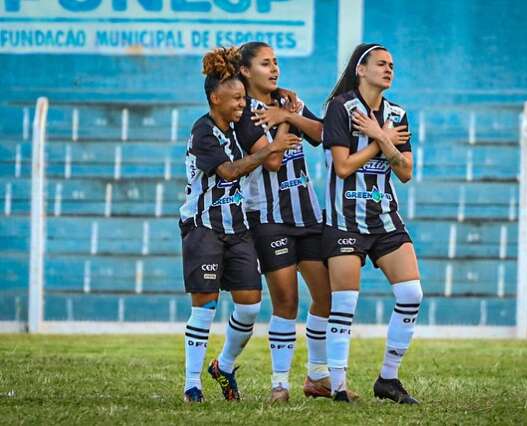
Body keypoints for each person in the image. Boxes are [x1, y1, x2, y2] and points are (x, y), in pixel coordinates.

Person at [179, 46, 301, 403]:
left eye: (243, 99)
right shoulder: (202, 132)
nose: (241, 105)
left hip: (237, 226)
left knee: (248, 305)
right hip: (203, 225)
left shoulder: (240, 124)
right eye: (235, 99)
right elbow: (230, 171)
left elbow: (271, 154)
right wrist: (269, 149)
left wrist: (283, 97)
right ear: (215, 98)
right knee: (205, 305)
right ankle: (192, 385)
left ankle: (225, 366)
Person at [234, 41, 335, 403]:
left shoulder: (287, 102)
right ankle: (280, 383)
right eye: (265, 63)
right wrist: (278, 125)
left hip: (307, 215)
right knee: (287, 301)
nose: (274, 69)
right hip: (269, 218)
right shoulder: (242, 111)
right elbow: (272, 162)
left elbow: (322, 134)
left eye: (276, 62)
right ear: (245, 71)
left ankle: (318, 377)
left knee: (325, 295)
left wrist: (289, 116)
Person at [322, 43, 421, 404]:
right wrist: (382, 143)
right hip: (343, 220)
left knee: (412, 295)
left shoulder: (397, 113)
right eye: (381, 63)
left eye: (392, 64)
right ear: (360, 69)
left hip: (385, 220)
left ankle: (388, 379)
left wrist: (380, 136)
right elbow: (343, 167)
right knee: (345, 301)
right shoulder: (340, 108)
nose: (388, 69)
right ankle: (337, 385)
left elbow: (406, 172)